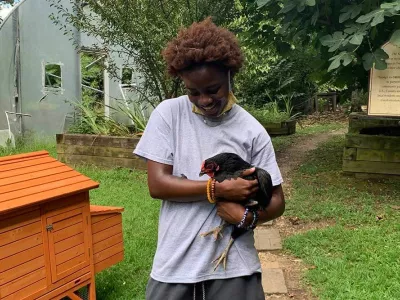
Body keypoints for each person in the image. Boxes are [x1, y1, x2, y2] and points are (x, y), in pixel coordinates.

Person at [133, 17, 285, 300]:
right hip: (175, 264)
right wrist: (216, 189)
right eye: (193, 91)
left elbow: (277, 200)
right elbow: (157, 185)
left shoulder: (252, 130)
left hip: (235, 268)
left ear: (230, 75)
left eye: (212, 89)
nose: (204, 100)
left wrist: (248, 217)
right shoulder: (168, 115)